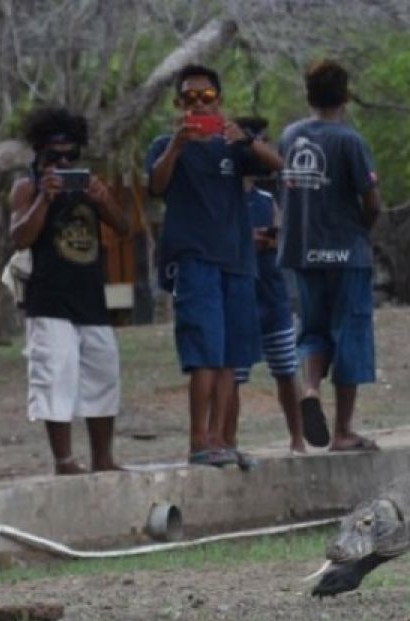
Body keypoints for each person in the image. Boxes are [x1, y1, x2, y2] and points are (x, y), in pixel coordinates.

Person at [145, 64, 283, 467]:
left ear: (219, 101)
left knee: (230, 357)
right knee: (203, 354)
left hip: (238, 262)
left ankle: (223, 439)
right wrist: (178, 145)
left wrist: (247, 140)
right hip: (194, 261)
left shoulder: (232, 144)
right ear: (177, 103)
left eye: (205, 97)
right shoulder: (164, 144)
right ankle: (198, 441)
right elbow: (155, 186)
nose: (197, 103)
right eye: (189, 97)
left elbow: (277, 165)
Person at [10, 106, 129, 475]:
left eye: (69, 155)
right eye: (53, 156)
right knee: (54, 376)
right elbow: (19, 237)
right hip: (49, 300)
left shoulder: (89, 185)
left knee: (103, 374)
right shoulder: (27, 186)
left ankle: (103, 458)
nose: (62, 162)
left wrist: (103, 199)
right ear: (38, 153)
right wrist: (45, 199)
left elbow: (124, 226)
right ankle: (64, 461)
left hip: (91, 297)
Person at [276, 58, 382, 452]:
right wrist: (362, 230)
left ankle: (309, 389)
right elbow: (371, 201)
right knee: (349, 334)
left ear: (309, 95)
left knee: (313, 330)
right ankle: (342, 431)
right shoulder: (350, 141)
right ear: (346, 96)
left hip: (302, 253)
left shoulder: (289, 137)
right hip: (345, 254)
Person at [224, 116, 306, 458]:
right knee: (234, 377)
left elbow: (284, 231)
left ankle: (298, 440)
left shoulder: (265, 199)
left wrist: (273, 240)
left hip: (272, 296)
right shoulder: (225, 199)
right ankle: (228, 442)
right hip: (240, 297)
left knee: (286, 370)